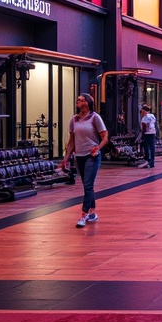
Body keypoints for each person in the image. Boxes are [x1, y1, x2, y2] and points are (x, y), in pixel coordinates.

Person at [62, 93, 109, 227]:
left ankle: (83, 215)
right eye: (77, 99)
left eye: (81, 100)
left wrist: (98, 148)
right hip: (79, 156)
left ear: (87, 103)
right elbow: (71, 142)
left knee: (88, 185)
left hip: (92, 156)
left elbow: (105, 136)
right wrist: (66, 158)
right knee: (87, 186)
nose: (78, 101)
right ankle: (93, 213)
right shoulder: (74, 120)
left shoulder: (95, 117)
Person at [138, 103, 157, 168]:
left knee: (146, 146)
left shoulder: (144, 118)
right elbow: (154, 124)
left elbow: (144, 127)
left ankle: (147, 159)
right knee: (152, 147)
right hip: (152, 133)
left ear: (145, 111)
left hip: (146, 134)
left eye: (142, 112)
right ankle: (152, 161)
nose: (141, 113)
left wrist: (143, 133)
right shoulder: (152, 116)